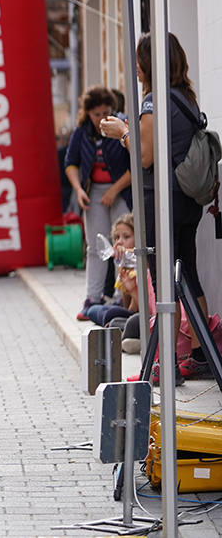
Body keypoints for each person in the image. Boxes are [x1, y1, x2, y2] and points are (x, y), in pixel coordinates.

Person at [101, 32, 207, 385]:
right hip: (187, 200)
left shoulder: (153, 102)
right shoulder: (185, 98)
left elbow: (144, 155)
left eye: (138, 60)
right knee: (187, 275)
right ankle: (199, 354)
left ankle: (168, 363)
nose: (135, 67)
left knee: (166, 282)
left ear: (150, 63)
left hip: (163, 201)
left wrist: (120, 131)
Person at [65, 86, 132, 317]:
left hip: (121, 192)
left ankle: (120, 298)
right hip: (94, 193)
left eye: (106, 112)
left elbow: (137, 164)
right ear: (88, 113)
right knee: (96, 246)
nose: (102, 118)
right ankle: (92, 298)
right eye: (96, 114)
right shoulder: (81, 132)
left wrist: (114, 189)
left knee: (122, 248)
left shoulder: (121, 124)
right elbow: (71, 162)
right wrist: (78, 189)